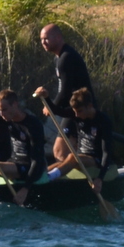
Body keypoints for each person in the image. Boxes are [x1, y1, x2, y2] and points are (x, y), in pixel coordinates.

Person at [33, 24, 95, 161]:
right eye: (41, 39)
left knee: (60, 152)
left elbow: (66, 91)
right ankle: (75, 170)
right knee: (64, 151)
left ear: (58, 37)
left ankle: (77, 172)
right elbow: (64, 89)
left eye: (46, 38)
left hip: (82, 109)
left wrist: (51, 106)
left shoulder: (67, 57)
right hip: (73, 109)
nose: (43, 42)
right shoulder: (58, 58)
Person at [46, 87, 114, 196]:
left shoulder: (104, 121)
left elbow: (106, 152)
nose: (76, 115)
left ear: (90, 106)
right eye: (75, 112)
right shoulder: (77, 114)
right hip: (80, 158)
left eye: (79, 111)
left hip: (96, 160)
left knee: (73, 157)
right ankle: (40, 177)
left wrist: (99, 179)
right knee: (62, 163)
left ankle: (49, 178)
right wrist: (46, 98)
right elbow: (57, 111)